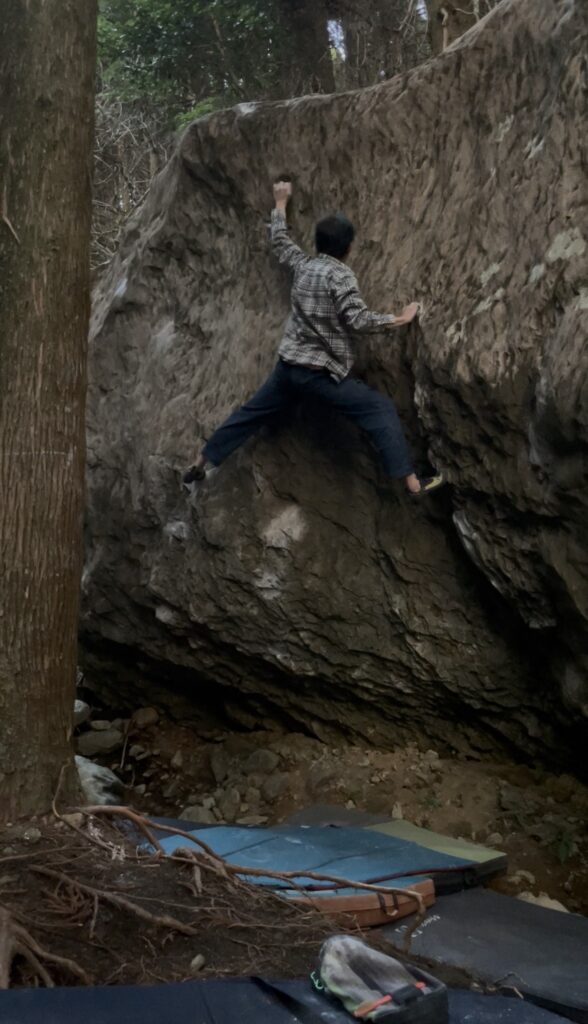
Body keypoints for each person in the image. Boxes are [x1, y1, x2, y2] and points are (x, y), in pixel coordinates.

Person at [183, 180, 444, 497]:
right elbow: (358, 320)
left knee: (249, 414)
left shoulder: (305, 265)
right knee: (379, 409)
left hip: (288, 369)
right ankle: (413, 484)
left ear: (318, 243)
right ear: (348, 249)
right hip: (320, 377)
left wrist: (280, 203)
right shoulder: (341, 276)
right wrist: (400, 318)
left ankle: (200, 461)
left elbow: (280, 241)